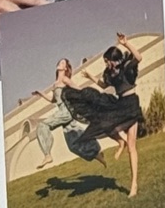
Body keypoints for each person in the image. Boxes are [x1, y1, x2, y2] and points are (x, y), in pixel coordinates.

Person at [59, 43, 144, 197]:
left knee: (132, 147)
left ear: (112, 59)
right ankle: (120, 142)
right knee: (104, 124)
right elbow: (103, 85)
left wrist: (126, 43)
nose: (106, 64)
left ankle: (134, 184)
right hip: (120, 104)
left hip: (131, 105)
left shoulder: (126, 66)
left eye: (106, 61)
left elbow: (139, 57)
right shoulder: (110, 73)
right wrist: (90, 76)